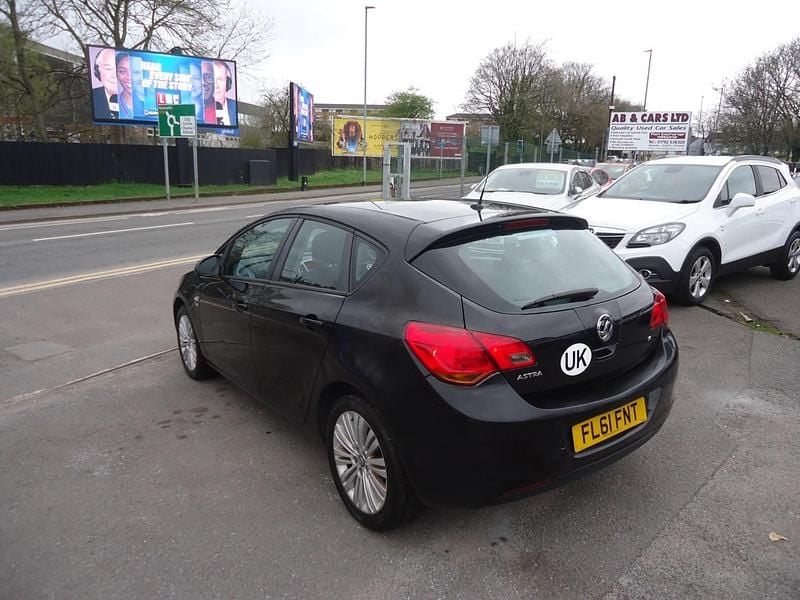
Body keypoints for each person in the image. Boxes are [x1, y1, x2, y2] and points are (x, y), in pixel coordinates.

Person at [92, 47, 118, 120]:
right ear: (97, 71)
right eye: (108, 69)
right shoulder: (92, 97)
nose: (115, 75)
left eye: (120, 69)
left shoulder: (141, 100)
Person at [213, 60, 237, 127]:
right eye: (212, 79)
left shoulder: (234, 107)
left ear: (228, 83)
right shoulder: (197, 109)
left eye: (220, 79)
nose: (216, 85)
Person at [115, 52, 133, 119]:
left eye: (134, 71)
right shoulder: (112, 103)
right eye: (122, 71)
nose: (129, 77)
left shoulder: (153, 104)